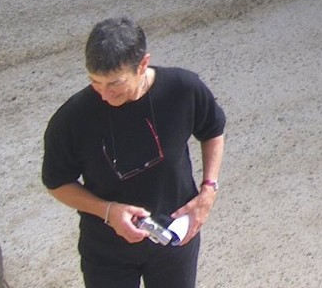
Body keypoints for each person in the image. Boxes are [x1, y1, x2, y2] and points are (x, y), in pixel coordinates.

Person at [42, 18, 227, 288]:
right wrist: (108, 211)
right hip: (106, 251)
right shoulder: (71, 118)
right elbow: (57, 183)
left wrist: (208, 190)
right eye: (95, 82)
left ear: (142, 65)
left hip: (174, 241)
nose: (104, 95)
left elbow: (213, 130)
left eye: (114, 84)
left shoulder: (183, 88)